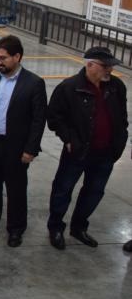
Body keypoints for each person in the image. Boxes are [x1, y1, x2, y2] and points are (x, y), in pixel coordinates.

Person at [45, 47, 128, 250]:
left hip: (106, 153)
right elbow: (54, 118)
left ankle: (79, 227)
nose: (109, 70)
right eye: (105, 66)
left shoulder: (116, 86)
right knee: (63, 189)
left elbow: (122, 116)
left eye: (110, 66)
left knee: (94, 191)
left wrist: (121, 138)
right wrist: (68, 139)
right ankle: (55, 227)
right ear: (90, 64)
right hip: (77, 151)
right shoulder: (69, 88)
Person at [0, 35, 47, 247]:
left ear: (17, 57)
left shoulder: (34, 83)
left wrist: (31, 149)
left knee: (16, 189)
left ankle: (16, 229)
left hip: (17, 146)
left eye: (3, 58)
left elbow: (38, 120)